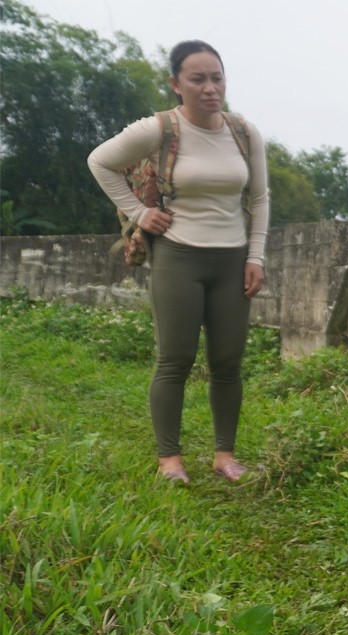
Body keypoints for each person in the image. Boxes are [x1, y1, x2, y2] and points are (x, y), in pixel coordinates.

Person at [88, 40, 269, 483]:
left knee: (228, 362)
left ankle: (225, 456)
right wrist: (139, 213)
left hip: (231, 261)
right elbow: (100, 162)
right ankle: (170, 459)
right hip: (178, 257)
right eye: (198, 79)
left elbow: (260, 198)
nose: (210, 88)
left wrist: (256, 256)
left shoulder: (244, 133)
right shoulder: (160, 129)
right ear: (176, 84)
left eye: (217, 78)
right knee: (176, 359)